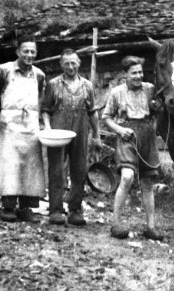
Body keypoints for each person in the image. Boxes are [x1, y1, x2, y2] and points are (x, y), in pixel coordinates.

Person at [102, 56, 164, 240]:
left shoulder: (150, 89)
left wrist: (156, 106)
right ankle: (116, 223)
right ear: (125, 74)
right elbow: (106, 118)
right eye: (134, 73)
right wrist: (120, 130)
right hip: (127, 137)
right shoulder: (117, 93)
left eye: (140, 72)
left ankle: (151, 227)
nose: (138, 76)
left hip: (147, 137)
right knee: (127, 177)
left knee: (147, 183)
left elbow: (159, 108)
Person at [41, 49, 102, 226]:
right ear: (61, 65)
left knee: (79, 170)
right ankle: (56, 210)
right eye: (66, 63)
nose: (70, 66)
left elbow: (93, 112)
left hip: (81, 130)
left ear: (79, 63)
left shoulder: (87, 86)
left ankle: (75, 210)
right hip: (58, 132)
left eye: (73, 62)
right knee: (57, 170)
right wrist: (48, 127)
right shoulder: (53, 84)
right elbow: (45, 110)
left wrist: (96, 135)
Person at [0, 37, 45, 223]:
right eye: (26, 51)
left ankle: (26, 208)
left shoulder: (39, 75)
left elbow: (40, 99)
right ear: (17, 52)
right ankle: (8, 206)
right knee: (10, 164)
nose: (29, 55)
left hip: (30, 123)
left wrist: (40, 122)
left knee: (31, 165)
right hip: (9, 123)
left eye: (33, 52)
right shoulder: (3, 70)